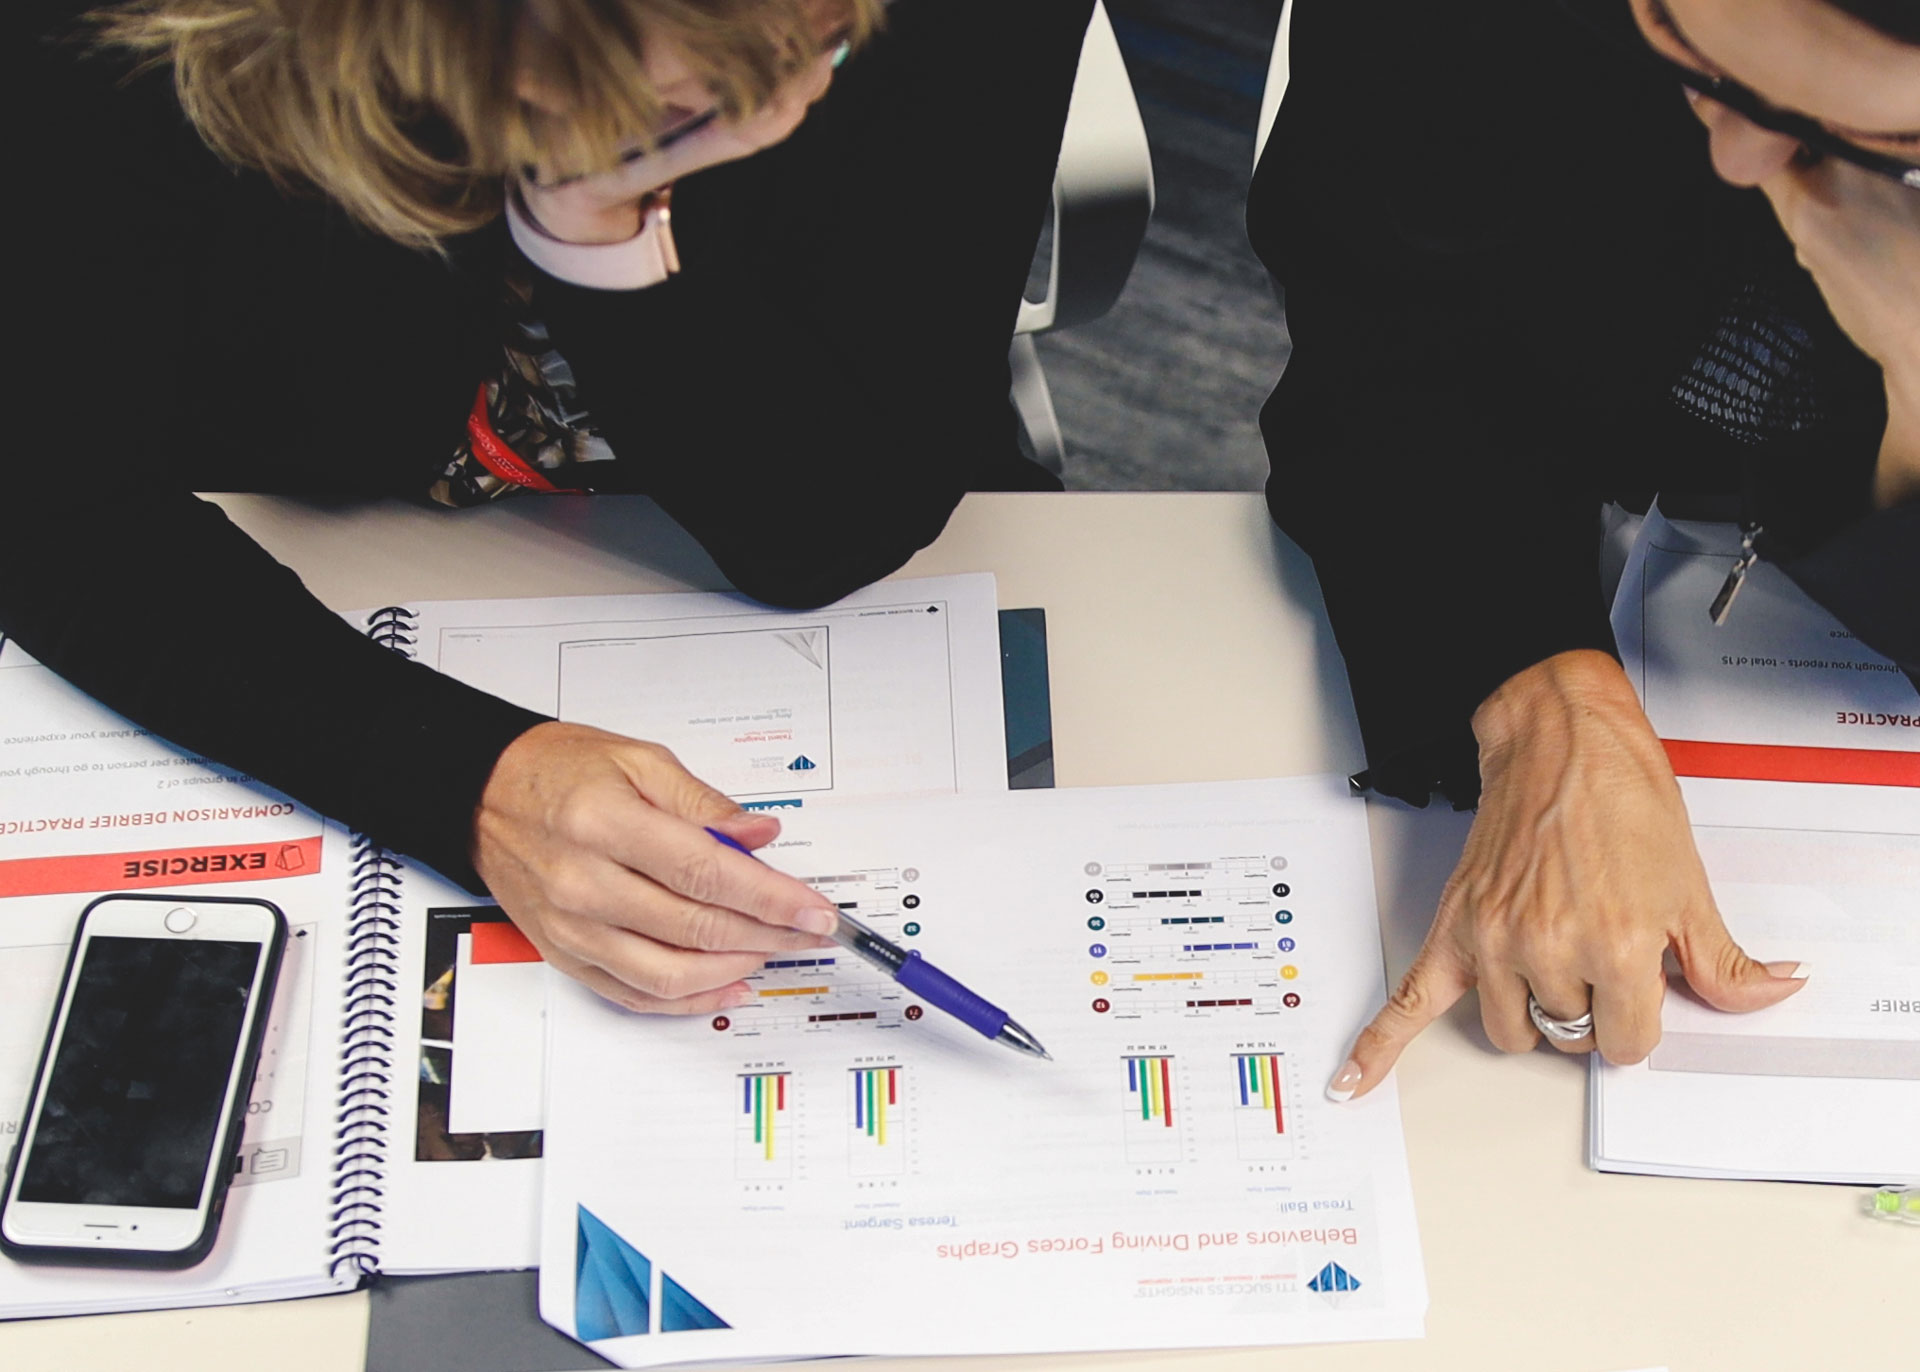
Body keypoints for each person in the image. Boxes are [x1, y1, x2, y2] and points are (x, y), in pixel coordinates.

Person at [5, 0, 1094, 1012]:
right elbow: (55, 511)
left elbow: (830, 526)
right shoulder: (122, 34)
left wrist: (597, 218)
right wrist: (469, 780)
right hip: (284, 517)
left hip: (807, 514)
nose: (798, 90)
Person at [1250, 0, 1919, 1099]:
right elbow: (1375, 348)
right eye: (1688, 50)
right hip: (1548, 493)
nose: (1737, 155)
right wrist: (1539, 683)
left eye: (1874, 138)